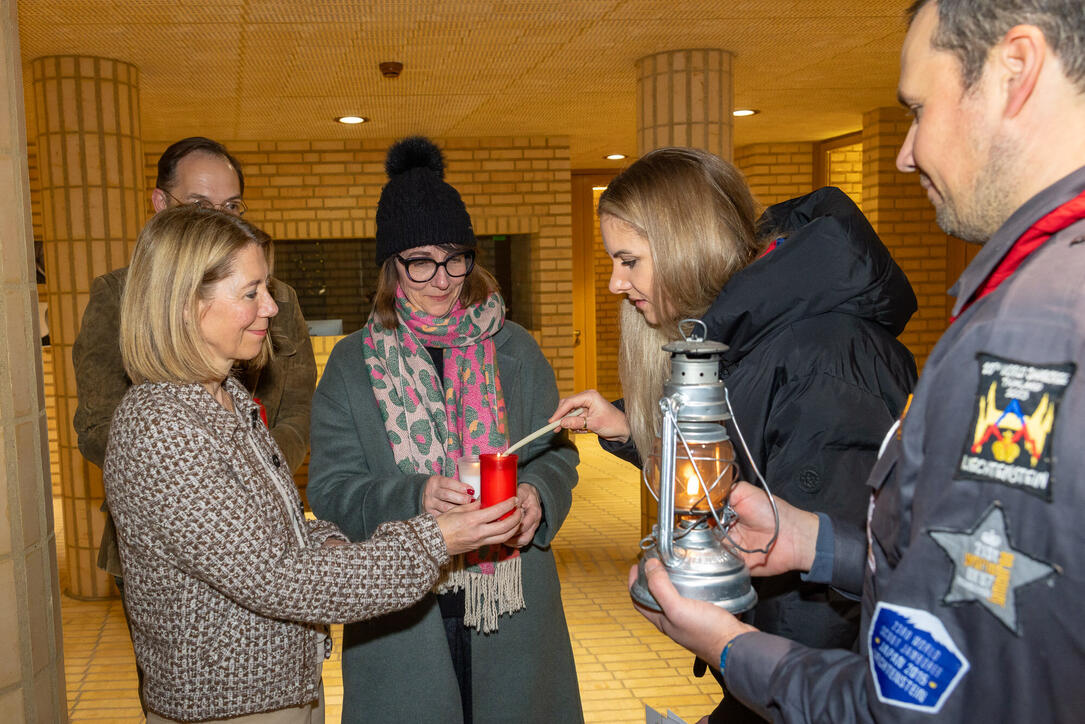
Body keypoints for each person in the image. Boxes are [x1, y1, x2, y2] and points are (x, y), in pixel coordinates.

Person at [629, 0, 1085, 720]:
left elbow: (923, 700)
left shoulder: (1030, 337)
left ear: (1014, 70)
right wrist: (814, 543)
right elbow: (999, 588)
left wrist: (729, 646)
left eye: (917, 107)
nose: (905, 152)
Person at [105, 204, 524, 723]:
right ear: (188, 304)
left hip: (283, 692)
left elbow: (261, 534)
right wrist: (438, 539)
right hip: (226, 706)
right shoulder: (161, 427)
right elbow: (274, 577)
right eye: (251, 293)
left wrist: (321, 537)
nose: (272, 309)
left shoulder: (225, 397)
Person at [551, 148, 918, 722]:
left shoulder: (823, 358)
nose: (616, 283)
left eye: (629, 261)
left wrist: (735, 672)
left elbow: (815, 615)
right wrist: (629, 424)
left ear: (684, 246)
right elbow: (742, 435)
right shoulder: (750, 335)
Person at [306, 136, 583, 724]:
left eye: (455, 257)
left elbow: (557, 454)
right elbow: (331, 490)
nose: (442, 278)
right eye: (421, 261)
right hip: (401, 617)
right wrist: (415, 497)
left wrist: (539, 495)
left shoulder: (516, 349)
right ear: (391, 266)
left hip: (514, 605)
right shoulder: (353, 365)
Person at [73, 136, 318, 585]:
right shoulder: (120, 297)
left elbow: (298, 408)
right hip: (169, 544)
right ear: (161, 204)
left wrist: (254, 481)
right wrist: (204, 485)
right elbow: (96, 426)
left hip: (269, 516)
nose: (218, 220)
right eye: (199, 204)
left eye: (232, 207)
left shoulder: (277, 298)